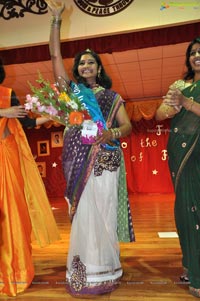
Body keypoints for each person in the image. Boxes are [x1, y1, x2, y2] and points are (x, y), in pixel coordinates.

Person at [46, 0, 135, 297]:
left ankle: (106, 269)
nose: (86, 66)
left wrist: (110, 131)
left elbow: (127, 127)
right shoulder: (73, 94)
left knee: (104, 214)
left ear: (98, 68)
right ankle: (85, 271)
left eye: (91, 62)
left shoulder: (112, 96)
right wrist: (56, 20)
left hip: (106, 161)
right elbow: (54, 54)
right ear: (77, 68)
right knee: (85, 215)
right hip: (80, 162)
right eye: (81, 62)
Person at [0, 58, 60, 297]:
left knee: (13, 215)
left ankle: (15, 271)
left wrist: (53, 114)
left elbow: (26, 122)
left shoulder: (7, 93)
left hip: (7, 157)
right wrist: (2, 112)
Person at [155, 37, 200, 298]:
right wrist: (170, 106)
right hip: (181, 152)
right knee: (187, 211)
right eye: (193, 53)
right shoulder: (179, 85)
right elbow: (159, 114)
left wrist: (187, 103)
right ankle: (193, 268)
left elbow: (188, 106)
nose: (197, 56)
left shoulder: (185, 94)